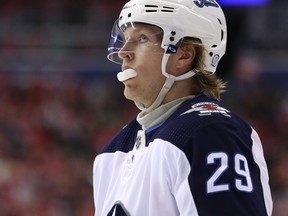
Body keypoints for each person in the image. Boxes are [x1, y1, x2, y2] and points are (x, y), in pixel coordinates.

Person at [93, 0, 273, 215]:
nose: (124, 52)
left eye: (142, 39)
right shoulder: (113, 151)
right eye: (124, 39)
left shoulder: (210, 132)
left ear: (184, 55)